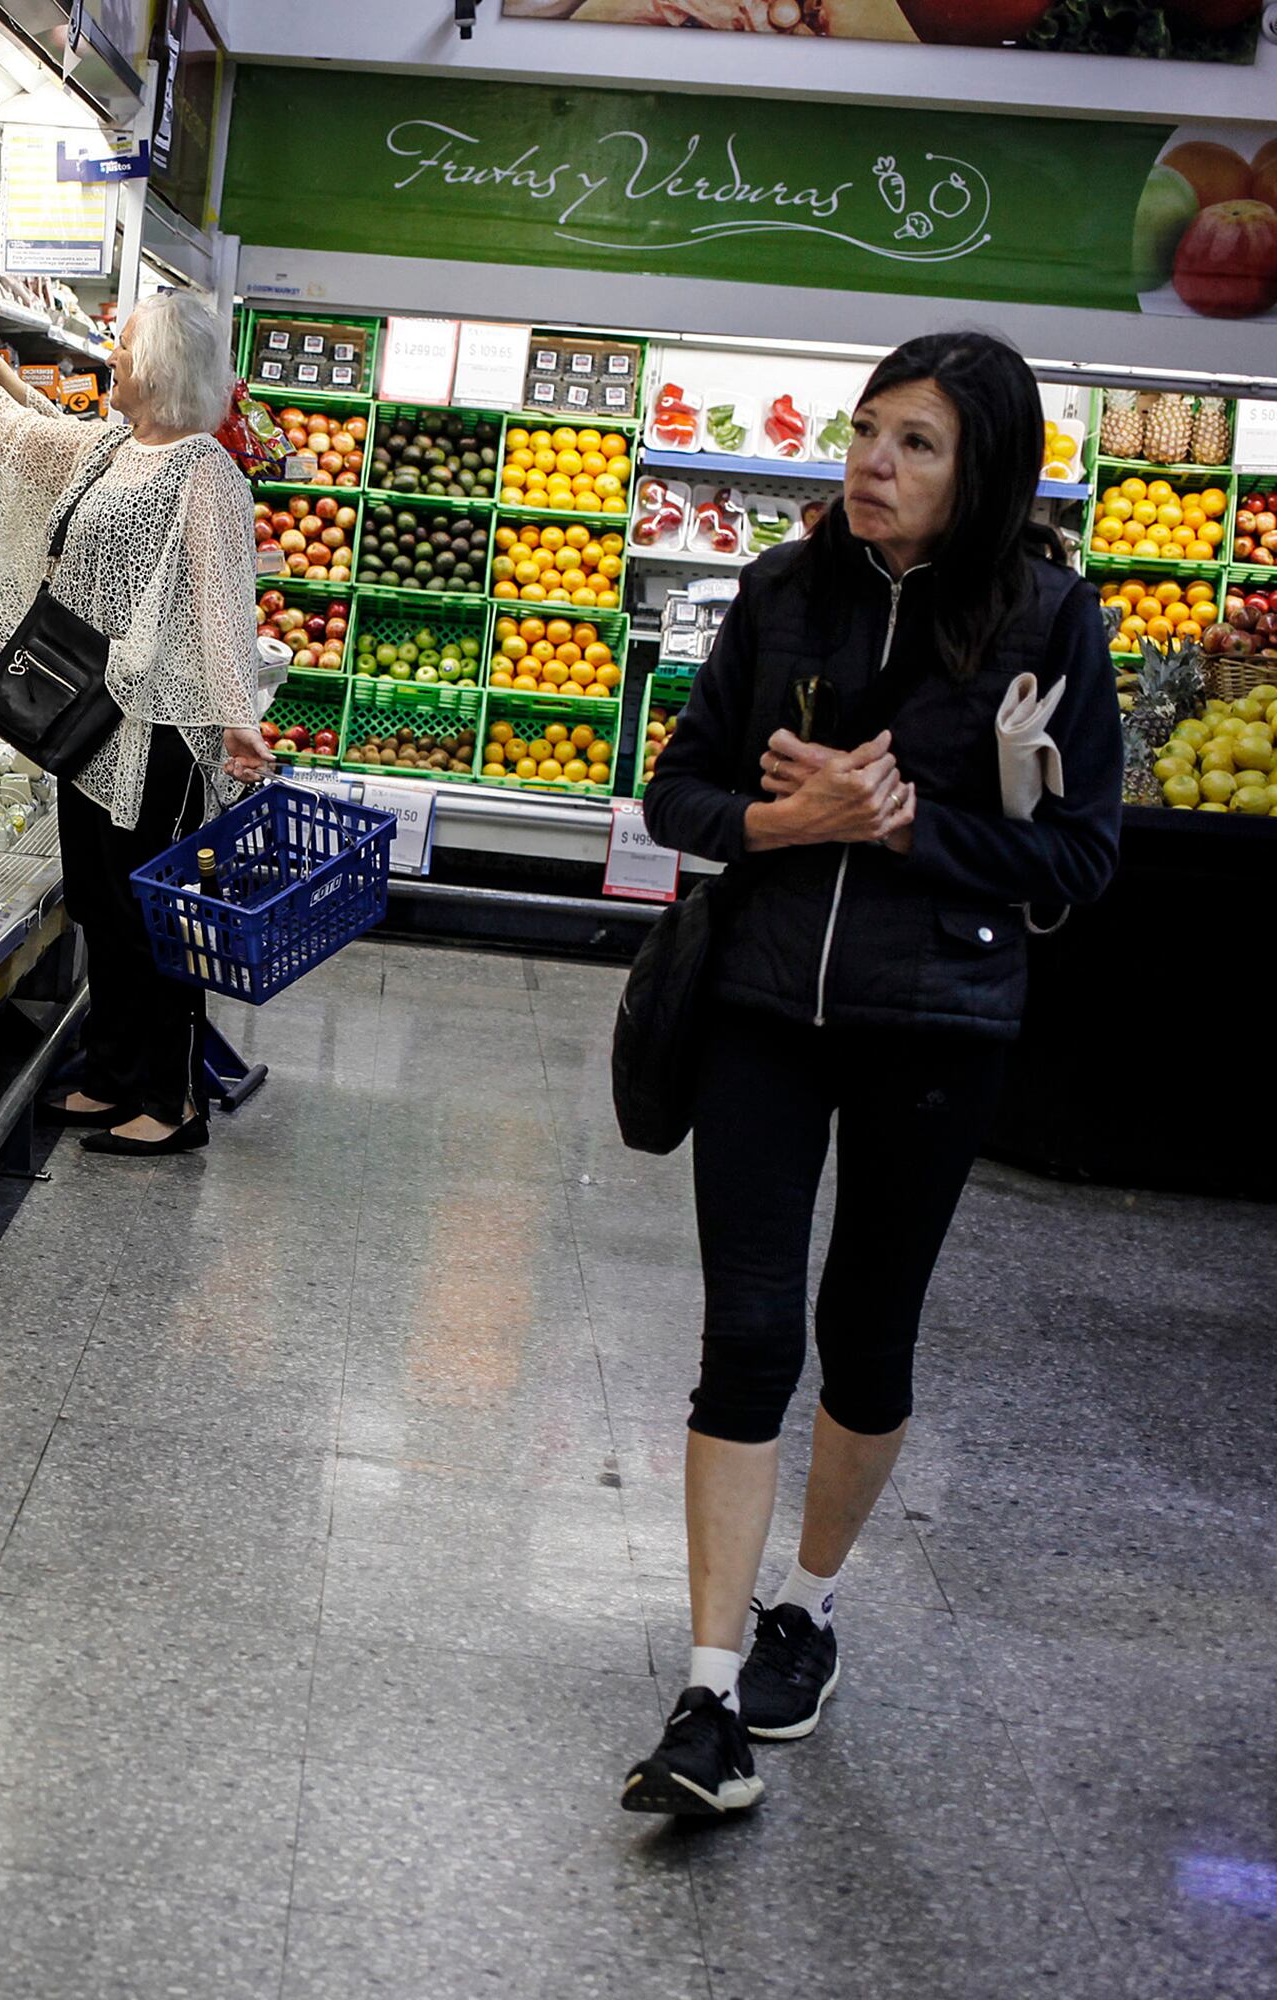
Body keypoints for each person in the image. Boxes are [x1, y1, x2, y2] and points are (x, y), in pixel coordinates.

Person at [622, 330, 1120, 1816]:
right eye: (865, 433)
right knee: (748, 1336)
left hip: (939, 1025)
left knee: (868, 1336)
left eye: (915, 445)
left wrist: (905, 830)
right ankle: (707, 1695)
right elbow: (681, 792)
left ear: (982, 474)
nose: (872, 466)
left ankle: (808, 1609)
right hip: (765, 1008)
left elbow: (1081, 853)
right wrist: (796, 824)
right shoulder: (782, 594)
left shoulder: (1049, 618)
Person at [0, 288, 269, 1156]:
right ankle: (110, 1075)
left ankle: (169, 1101)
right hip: (91, 723)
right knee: (100, 905)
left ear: (157, 368)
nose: (110, 359)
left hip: (166, 733)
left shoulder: (204, 472)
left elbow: (223, 602)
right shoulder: (112, 446)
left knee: (155, 914)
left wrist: (234, 718)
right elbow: (20, 430)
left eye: (122, 348)